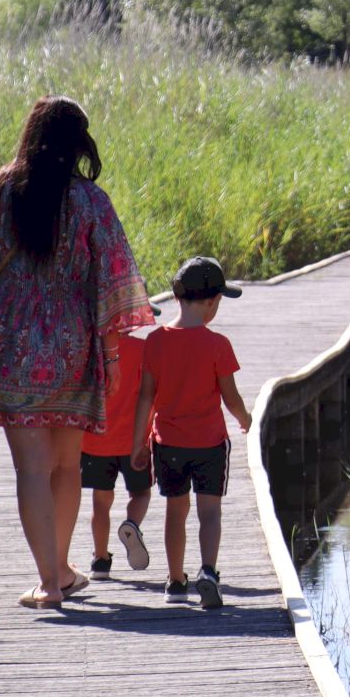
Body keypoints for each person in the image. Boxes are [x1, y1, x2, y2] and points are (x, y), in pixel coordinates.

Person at [0, 96, 156, 610]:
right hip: (72, 342)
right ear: (76, 141)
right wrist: (110, 355)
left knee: (31, 470)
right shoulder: (89, 201)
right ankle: (58, 571)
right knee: (67, 467)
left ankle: (51, 579)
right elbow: (114, 281)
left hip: (11, 340)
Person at [130, 257, 251, 609]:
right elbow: (231, 397)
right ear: (212, 301)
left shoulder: (154, 342)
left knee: (175, 510)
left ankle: (175, 581)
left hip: (167, 444)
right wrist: (245, 418)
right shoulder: (218, 345)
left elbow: (145, 398)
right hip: (210, 443)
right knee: (209, 512)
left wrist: (138, 442)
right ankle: (209, 572)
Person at [79, 325, 152, 580]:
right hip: (135, 441)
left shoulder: (91, 352)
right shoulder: (144, 350)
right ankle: (131, 524)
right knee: (141, 493)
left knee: (100, 503)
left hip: (96, 441)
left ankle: (100, 561)